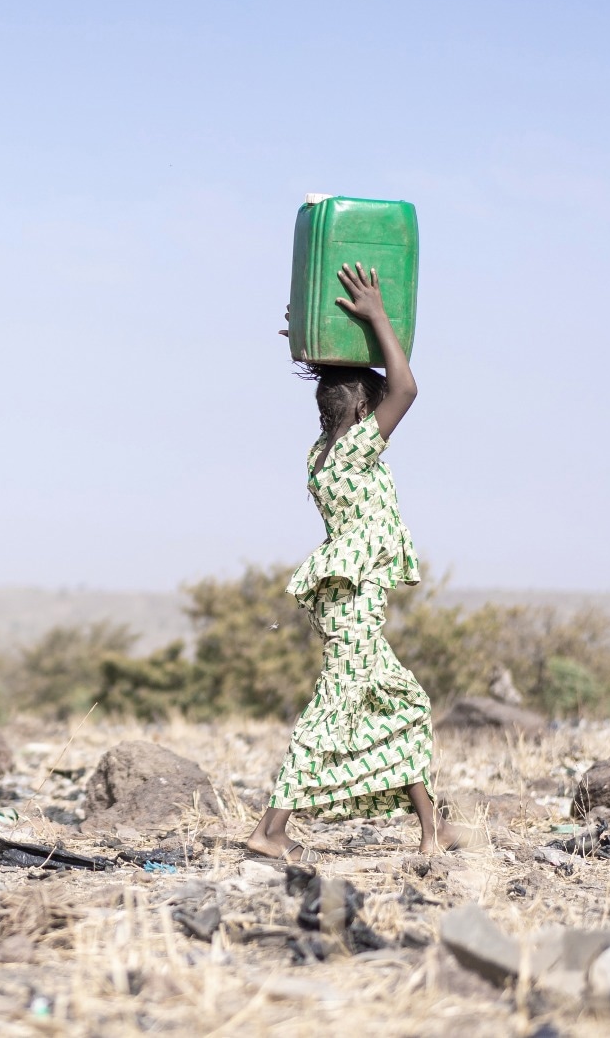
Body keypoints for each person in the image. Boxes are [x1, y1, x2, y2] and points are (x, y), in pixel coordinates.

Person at [246, 262, 441, 861]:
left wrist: (315, 335)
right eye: (374, 401)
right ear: (362, 411)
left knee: (403, 704)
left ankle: (434, 832)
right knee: (335, 707)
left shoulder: (321, 456)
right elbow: (407, 387)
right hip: (354, 599)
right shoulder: (356, 451)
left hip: (349, 595)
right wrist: (378, 317)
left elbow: (365, 385)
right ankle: (271, 831)